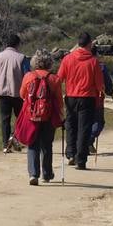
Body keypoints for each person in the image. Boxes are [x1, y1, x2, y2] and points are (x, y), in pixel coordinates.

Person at [56, 33, 102, 170]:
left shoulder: (67, 59)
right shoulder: (93, 61)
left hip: (71, 97)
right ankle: (81, 160)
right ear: (90, 44)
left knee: (71, 126)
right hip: (87, 98)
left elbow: (59, 78)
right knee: (84, 128)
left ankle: (71, 153)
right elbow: (100, 85)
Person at [19, 50, 64, 185]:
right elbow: (59, 101)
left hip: (31, 116)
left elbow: (22, 94)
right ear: (50, 63)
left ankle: (33, 174)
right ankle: (46, 174)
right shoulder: (55, 79)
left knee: (32, 143)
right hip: (48, 116)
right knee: (47, 144)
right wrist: (61, 116)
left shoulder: (28, 76)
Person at [0, 34, 30, 153]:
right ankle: (14, 137)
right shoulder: (22, 58)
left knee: (5, 119)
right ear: (17, 44)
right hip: (19, 93)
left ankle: (5, 145)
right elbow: (27, 75)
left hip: (3, 93)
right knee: (21, 118)